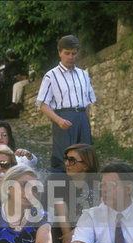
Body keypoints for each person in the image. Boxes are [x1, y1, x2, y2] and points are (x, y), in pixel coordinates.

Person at [36, 35, 96, 172]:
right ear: (60, 53)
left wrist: (86, 122)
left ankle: (86, 190)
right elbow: (42, 104)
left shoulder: (83, 75)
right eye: (67, 53)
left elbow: (87, 102)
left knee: (86, 156)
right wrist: (58, 120)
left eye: (74, 53)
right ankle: (60, 190)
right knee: (64, 157)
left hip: (82, 117)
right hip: (63, 118)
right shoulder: (51, 76)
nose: (71, 57)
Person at [42, 144, 100, 243]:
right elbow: (62, 214)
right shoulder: (58, 179)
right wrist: (68, 239)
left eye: (72, 160)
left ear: (86, 165)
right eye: (66, 159)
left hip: (87, 231)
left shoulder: (98, 183)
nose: (67, 163)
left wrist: (75, 233)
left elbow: (99, 213)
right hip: (61, 233)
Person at [5, 49, 29, 114]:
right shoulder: (19, 63)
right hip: (17, 79)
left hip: (14, 80)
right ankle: (16, 103)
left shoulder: (9, 64)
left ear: (8, 57)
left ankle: (15, 103)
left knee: (16, 85)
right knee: (16, 85)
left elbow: (5, 74)